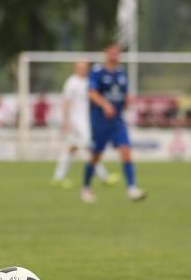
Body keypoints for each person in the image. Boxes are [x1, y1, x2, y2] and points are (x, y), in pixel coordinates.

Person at [80, 42, 146, 203]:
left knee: (125, 150)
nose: (116, 54)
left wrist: (128, 101)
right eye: (113, 51)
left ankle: (131, 189)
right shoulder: (97, 71)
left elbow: (124, 99)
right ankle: (86, 187)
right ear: (106, 52)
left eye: (118, 51)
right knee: (95, 156)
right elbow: (91, 93)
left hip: (117, 121)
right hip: (100, 122)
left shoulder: (121, 73)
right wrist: (105, 104)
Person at [51, 61, 118, 190]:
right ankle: (103, 176)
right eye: (81, 67)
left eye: (85, 67)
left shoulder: (88, 81)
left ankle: (57, 177)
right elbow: (66, 101)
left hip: (86, 119)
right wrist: (65, 120)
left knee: (71, 148)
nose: (83, 69)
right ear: (75, 68)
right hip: (76, 121)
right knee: (90, 145)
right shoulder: (72, 82)